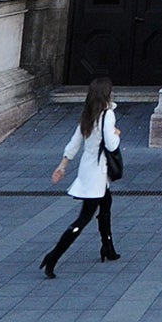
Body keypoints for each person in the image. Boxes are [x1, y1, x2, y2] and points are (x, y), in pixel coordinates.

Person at [41, 77, 121, 276]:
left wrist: (62, 166)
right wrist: (116, 133)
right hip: (98, 173)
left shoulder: (88, 114)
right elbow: (112, 145)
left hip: (88, 170)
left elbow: (75, 142)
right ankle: (53, 256)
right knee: (83, 219)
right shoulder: (107, 115)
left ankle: (108, 247)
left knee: (106, 206)